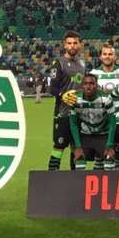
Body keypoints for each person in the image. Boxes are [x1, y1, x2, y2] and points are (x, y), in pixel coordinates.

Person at [47, 31, 85, 171]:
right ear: (65, 45)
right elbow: (53, 89)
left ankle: (74, 180)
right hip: (63, 114)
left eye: (75, 43)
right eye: (69, 43)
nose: (72, 46)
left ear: (79, 45)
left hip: (78, 113)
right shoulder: (58, 63)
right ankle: (52, 179)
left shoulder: (82, 63)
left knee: (76, 147)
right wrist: (63, 95)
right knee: (58, 147)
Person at [91, 44, 119, 171]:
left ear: (115, 57)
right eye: (105, 54)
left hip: (118, 119)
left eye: (110, 54)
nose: (107, 57)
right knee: (99, 155)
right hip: (100, 121)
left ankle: (118, 184)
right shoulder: (94, 74)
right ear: (101, 57)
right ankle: (98, 184)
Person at [69, 74, 117, 170]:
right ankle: (80, 184)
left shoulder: (106, 98)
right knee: (79, 158)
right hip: (86, 135)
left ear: (97, 85)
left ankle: (108, 184)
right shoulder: (75, 100)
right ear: (82, 86)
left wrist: (109, 145)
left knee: (109, 159)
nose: (88, 86)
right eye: (85, 83)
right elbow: (73, 123)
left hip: (103, 135)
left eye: (91, 83)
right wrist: (78, 146)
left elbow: (112, 122)